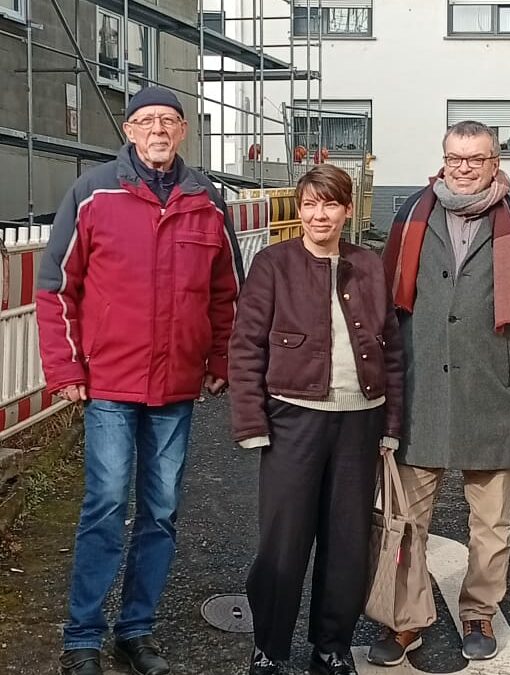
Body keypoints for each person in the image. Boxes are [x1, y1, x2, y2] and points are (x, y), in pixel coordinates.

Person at [36, 86, 243, 675]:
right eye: (146, 121)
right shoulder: (93, 193)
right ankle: (82, 637)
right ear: (127, 131)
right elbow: (56, 290)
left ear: (184, 132)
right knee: (104, 505)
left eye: (169, 121)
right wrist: (65, 367)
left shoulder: (207, 200)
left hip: (175, 386)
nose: (158, 130)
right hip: (109, 383)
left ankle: (136, 629)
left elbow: (228, 294)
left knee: (162, 508)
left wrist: (222, 361)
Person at [368, 120, 510, 667]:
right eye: (455, 157)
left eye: (476, 158)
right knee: (406, 521)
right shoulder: (410, 215)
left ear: (496, 163)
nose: (464, 167)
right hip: (420, 391)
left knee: (491, 524)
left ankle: (479, 611)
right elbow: (383, 309)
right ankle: (404, 621)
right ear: (443, 158)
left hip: (489, 391)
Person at [228, 163, 403, 675]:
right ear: (299, 210)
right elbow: (245, 346)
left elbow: (392, 350)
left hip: (360, 420)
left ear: (347, 210)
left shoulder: (368, 265)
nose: (319, 215)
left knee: (347, 540)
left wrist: (391, 425)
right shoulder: (274, 264)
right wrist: (250, 421)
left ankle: (332, 646)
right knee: (284, 537)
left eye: (329, 204)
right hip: (293, 417)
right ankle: (270, 647)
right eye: (310, 204)